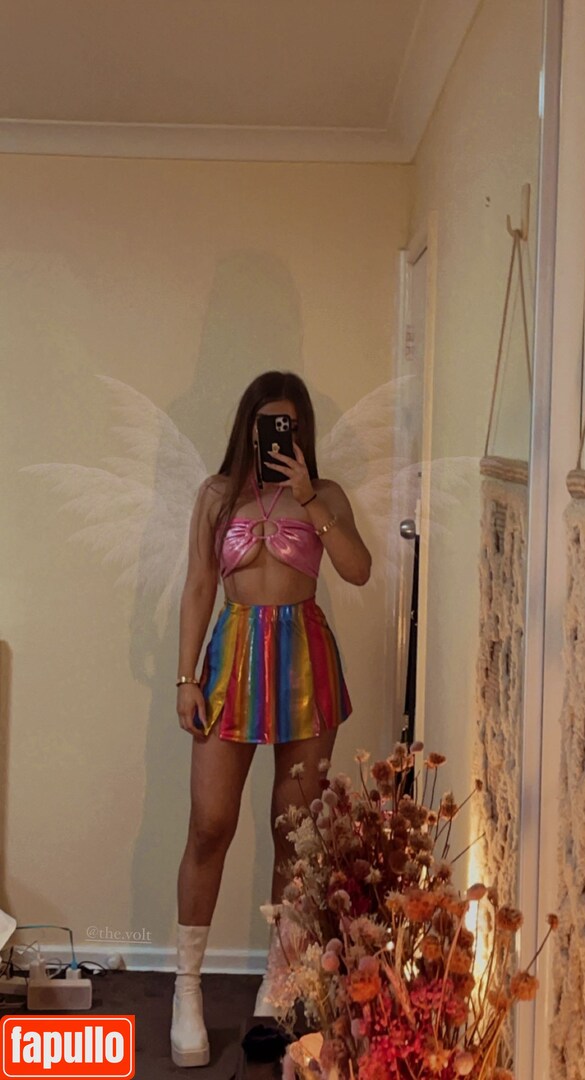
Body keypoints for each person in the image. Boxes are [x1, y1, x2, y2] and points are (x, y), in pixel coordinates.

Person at [170, 371, 371, 1068]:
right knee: (209, 826)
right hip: (230, 661)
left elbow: (358, 570)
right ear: (247, 427)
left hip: (304, 663)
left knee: (295, 834)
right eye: (265, 424)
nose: (275, 437)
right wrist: (186, 678)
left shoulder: (326, 495)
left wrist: (311, 499)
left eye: (287, 425)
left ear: (301, 431)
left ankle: (277, 984)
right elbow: (200, 584)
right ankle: (187, 990)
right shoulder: (216, 496)